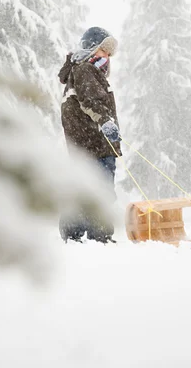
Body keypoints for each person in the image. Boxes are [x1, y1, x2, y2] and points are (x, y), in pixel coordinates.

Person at [58, 26, 121, 244]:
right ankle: (99, 236)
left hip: (84, 146)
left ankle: (74, 235)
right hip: (94, 145)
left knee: (84, 190)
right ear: (92, 49)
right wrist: (106, 123)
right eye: (104, 51)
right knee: (99, 191)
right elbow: (90, 102)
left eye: (109, 53)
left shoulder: (77, 73)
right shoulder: (85, 70)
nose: (107, 57)